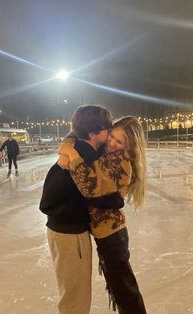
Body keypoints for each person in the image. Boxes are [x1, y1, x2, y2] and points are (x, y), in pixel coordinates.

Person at [39, 105, 124, 314]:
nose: (110, 133)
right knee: (75, 298)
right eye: (107, 129)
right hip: (69, 233)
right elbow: (93, 194)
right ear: (93, 133)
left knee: (75, 294)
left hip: (65, 230)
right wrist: (117, 198)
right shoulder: (83, 156)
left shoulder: (77, 148)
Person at [58, 116, 147, 314]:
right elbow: (78, 130)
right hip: (106, 234)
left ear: (129, 146)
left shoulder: (120, 161)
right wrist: (66, 144)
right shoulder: (106, 154)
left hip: (112, 236)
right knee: (118, 288)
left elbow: (89, 187)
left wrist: (71, 155)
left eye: (119, 141)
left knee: (125, 290)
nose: (112, 143)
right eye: (112, 136)